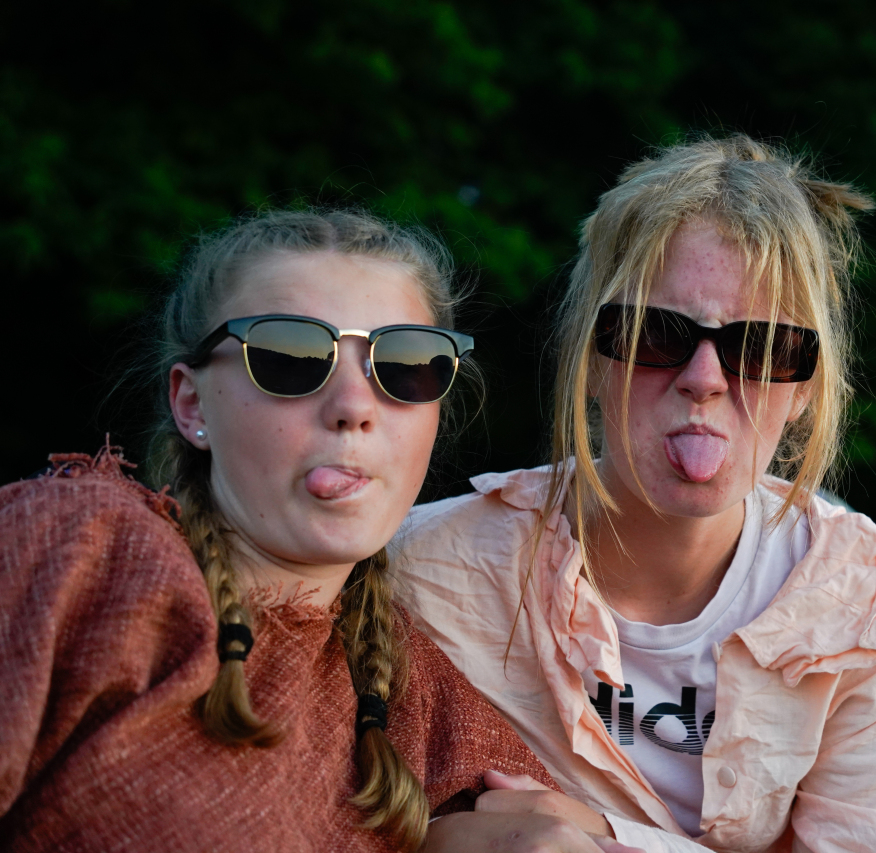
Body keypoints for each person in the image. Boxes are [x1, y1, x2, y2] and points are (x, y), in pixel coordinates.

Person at [0, 210, 637, 853]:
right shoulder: (79, 552)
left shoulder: (427, 704)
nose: (354, 407)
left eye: (404, 364)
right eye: (289, 358)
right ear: (191, 404)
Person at [393, 135, 876, 852]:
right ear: (591, 358)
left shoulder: (864, 607)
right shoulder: (425, 570)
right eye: (655, 334)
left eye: (760, 348)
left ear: (804, 388)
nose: (705, 379)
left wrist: (605, 837)